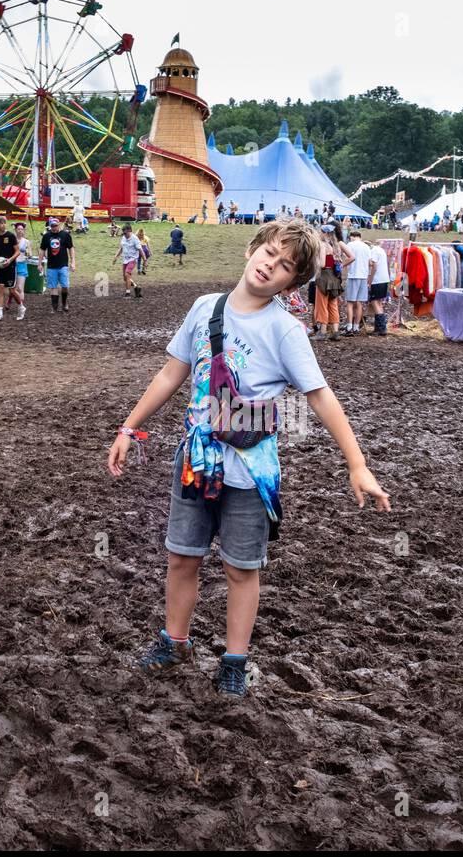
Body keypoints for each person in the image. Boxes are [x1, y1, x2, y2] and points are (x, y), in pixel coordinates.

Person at [106, 217, 391, 698]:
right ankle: (174, 642)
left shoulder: (286, 331)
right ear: (251, 249)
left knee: (241, 569)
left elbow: (321, 397)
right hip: (195, 460)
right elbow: (171, 374)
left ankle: (234, 661)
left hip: (250, 469)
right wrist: (129, 427)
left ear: (292, 282)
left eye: (285, 267)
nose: (270, 267)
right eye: (268, 253)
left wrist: (357, 464)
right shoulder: (203, 308)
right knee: (181, 558)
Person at [313, 224, 352, 341]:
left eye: (320, 232)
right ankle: (335, 331)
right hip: (335, 278)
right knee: (333, 305)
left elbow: (322, 264)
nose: (319, 234)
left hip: (324, 277)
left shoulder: (322, 245)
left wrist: (314, 261)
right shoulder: (335, 246)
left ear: (324, 233)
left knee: (322, 305)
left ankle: (323, 332)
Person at [39, 216, 75, 312]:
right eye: (52, 226)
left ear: (59, 225)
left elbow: (71, 248)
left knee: (65, 286)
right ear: (50, 226)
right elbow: (42, 250)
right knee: (53, 287)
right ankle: (54, 307)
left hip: (63, 265)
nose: (54, 228)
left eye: (55, 225)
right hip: (51, 266)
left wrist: (73, 261)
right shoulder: (46, 236)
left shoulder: (65, 235)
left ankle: (64, 303)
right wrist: (39, 263)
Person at [0, 216, 21, 322]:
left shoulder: (11, 236)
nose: (2, 225)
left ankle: (21, 306)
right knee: (0, 289)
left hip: (11, 266)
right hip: (1, 267)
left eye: (4, 223)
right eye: (0, 223)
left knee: (12, 291)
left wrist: (10, 260)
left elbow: (17, 251)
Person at [343, 229, 371, 336]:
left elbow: (348, 258)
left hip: (353, 275)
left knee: (350, 303)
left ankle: (349, 326)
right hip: (363, 276)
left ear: (352, 237)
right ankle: (356, 327)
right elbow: (369, 262)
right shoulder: (366, 247)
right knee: (359, 303)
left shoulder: (350, 244)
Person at [113, 222, 144, 298]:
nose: (124, 235)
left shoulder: (135, 239)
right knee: (125, 278)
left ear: (130, 231)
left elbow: (140, 250)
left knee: (127, 274)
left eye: (126, 233)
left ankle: (128, 293)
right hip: (125, 259)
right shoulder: (123, 237)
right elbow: (121, 248)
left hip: (133, 259)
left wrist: (145, 260)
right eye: (123, 233)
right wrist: (116, 257)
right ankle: (137, 287)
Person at [367, 239, 391, 336]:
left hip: (377, 280)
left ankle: (381, 328)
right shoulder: (380, 250)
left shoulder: (373, 252)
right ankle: (380, 327)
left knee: (374, 302)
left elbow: (374, 266)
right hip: (384, 279)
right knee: (379, 303)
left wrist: (370, 280)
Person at [12, 221, 31, 319]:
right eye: (18, 229)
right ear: (15, 230)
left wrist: (28, 253)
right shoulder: (12, 240)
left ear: (23, 231)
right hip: (12, 265)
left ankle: (21, 307)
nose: (20, 231)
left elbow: (30, 254)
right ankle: (13, 302)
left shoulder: (26, 241)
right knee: (11, 289)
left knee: (20, 288)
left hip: (22, 264)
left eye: (22, 229)